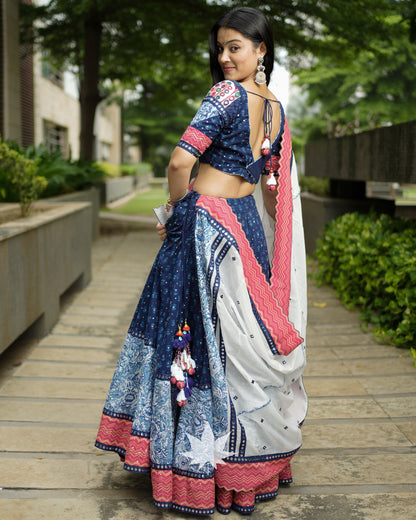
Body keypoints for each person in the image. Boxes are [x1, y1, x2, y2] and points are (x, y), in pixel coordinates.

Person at [95, 6, 307, 516]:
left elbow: (179, 161)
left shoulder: (224, 95)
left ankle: (194, 469)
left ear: (261, 50)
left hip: (205, 229)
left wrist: (173, 210)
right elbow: (272, 184)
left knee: (190, 337)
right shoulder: (276, 108)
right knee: (236, 346)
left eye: (237, 46)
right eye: (221, 47)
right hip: (246, 229)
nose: (225, 56)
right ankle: (241, 470)